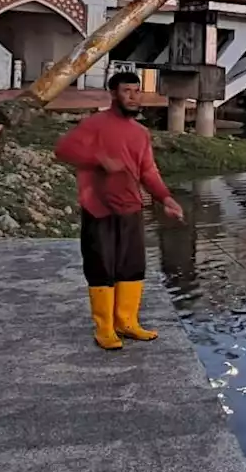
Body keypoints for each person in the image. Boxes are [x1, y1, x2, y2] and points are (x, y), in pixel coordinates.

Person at [55, 71, 184, 350]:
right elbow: (63, 150)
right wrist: (98, 159)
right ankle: (104, 328)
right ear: (113, 94)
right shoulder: (94, 125)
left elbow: (148, 170)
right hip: (98, 208)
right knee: (101, 266)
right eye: (127, 91)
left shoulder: (141, 133)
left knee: (133, 266)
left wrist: (166, 199)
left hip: (131, 208)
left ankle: (127, 322)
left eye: (137, 91)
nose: (134, 97)